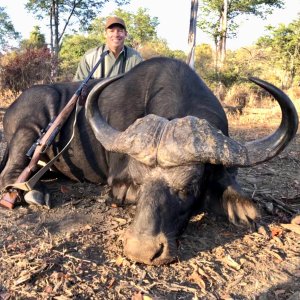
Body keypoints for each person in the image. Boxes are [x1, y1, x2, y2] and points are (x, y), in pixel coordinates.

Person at [73, 16, 143, 81]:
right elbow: (78, 86)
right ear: (105, 34)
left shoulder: (136, 58)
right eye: (111, 31)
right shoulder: (89, 57)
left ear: (126, 34)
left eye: (120, 31)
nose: (116, 35)